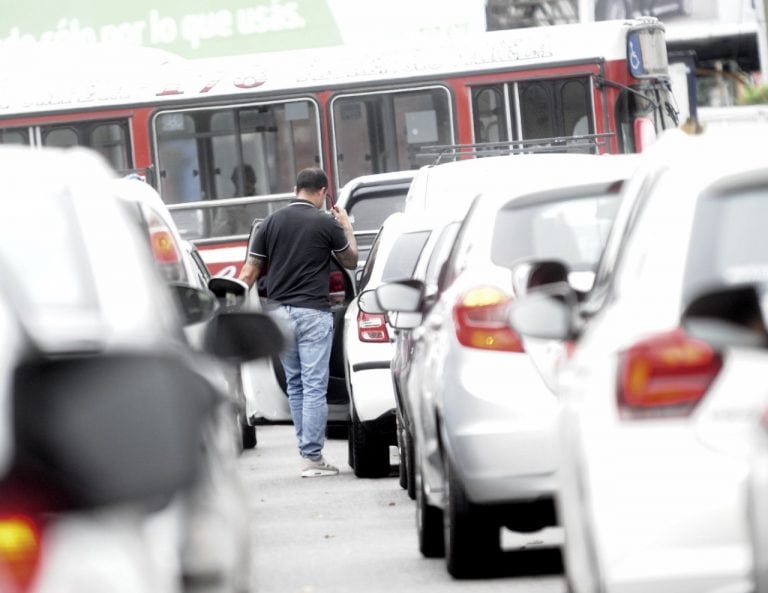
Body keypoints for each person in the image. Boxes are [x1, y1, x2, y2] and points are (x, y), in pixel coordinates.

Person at [238, 167, 358, 477]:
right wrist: (346, 227)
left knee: (296, 385)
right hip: (313, 313)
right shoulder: (325, 222)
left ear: (295, 189)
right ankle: (312, 458)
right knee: (315, 385)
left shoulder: (270, 223)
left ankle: (307, 452)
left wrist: (233, 307)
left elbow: (249, 272)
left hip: (278, 313)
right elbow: (351, 261)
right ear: (322, 191)